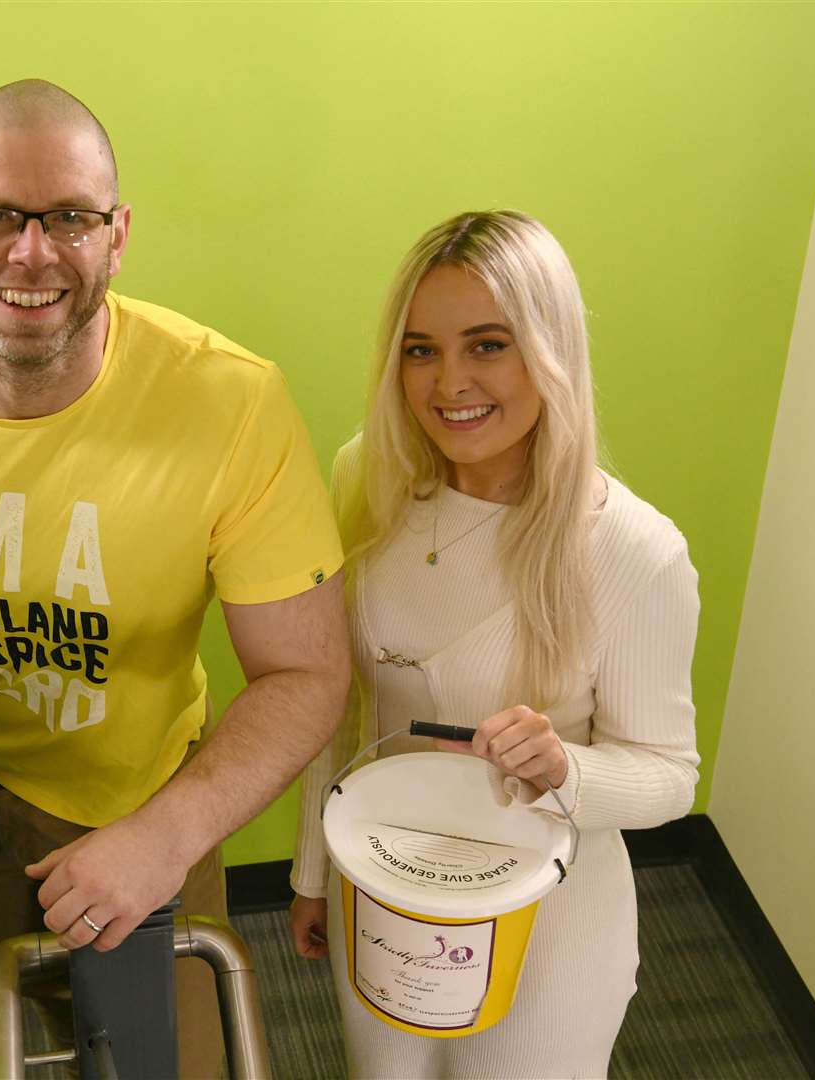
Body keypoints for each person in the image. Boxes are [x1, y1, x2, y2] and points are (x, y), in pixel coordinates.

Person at [0, 79, 350, 1075]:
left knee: (159, 1062)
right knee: (39, 1016)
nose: (31, 251)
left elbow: (307, 673)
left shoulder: (229, 405)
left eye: (69, 217)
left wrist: (161, 838)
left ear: (117, 234)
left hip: (135, 802)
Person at [287, 210, 701, 1078]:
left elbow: (670, 774)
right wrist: (315, 872)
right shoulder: (368, 475)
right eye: (420, 349)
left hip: (549, 916)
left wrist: (567, 770)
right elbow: (339, 704)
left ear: (550, 351)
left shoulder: (631, 549)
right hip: (387, 877)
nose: (449, 383)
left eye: (487, 345)